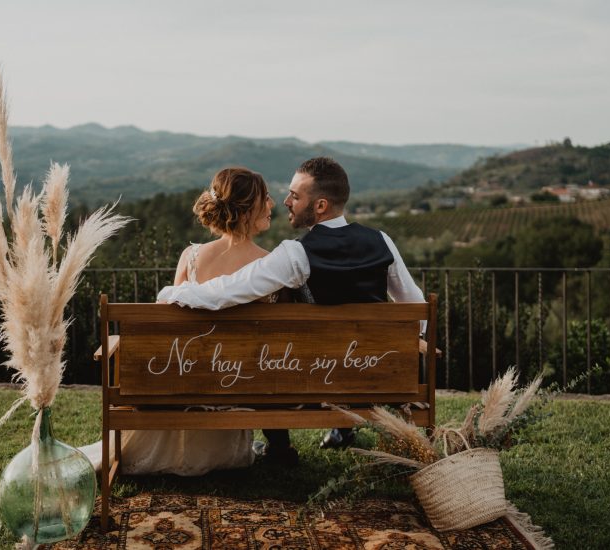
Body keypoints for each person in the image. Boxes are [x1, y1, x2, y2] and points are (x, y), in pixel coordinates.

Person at [157, 157, 425, 465]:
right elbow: (415, 304)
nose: (286, 201)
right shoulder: (382, 241)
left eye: (295, 196)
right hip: (383, 375)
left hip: (322, 378)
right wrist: (408, 349)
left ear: (320, 205)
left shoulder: (296, 254)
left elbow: (226, 291)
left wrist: (172, 293)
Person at [82, 166, 276, 475]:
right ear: (246, 210)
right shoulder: (269, 265)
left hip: (185, 383)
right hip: (236, 386)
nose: (272, 204)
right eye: (265, 198)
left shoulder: (192, 257)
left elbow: (166, 325)